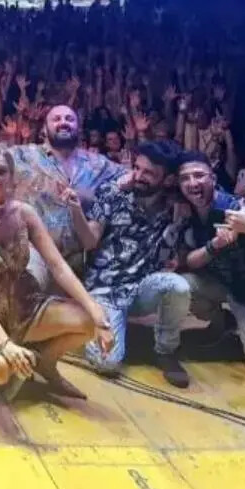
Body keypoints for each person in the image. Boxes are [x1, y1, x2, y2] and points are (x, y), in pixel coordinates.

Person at [0, 143, 112, 398]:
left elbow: (58, 266)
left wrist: (98, 315)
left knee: (89, 322)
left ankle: (46, 364)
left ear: (10, 179)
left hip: (24, 304)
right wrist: (5, 345)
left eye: (1, 171)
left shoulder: (24, 213)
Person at [66, 141, 192, 387]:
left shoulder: (175, 206)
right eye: (137, 168)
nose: (138, 176)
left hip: (142, 288)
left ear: (166, 179)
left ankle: (165, 351)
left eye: (149, 173)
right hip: (106, 289)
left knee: (178, 287)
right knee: (108, 364)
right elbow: (90, 241)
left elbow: (203, 183)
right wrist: (75, 210)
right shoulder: (115, 193)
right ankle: (98, 325)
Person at [176, 152, 245, 376]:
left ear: (213, 179)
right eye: (185, 178)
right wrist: (213, 246)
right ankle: (224, 325)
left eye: (199, 175)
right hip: (224, 286)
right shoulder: (185, 212)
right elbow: (188, 260)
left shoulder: (236, 208)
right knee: (179, 285)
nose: (192, 183)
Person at [9, 105, 127, 284]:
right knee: (28, 285)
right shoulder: (22, 156)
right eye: (56, 119)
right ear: (44, 130)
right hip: (34, 255)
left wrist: (92, 196)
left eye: (69, 119)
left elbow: (131, 177)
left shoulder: (98, 164)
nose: (63, 123)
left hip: (82, 263)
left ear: (78, 128)